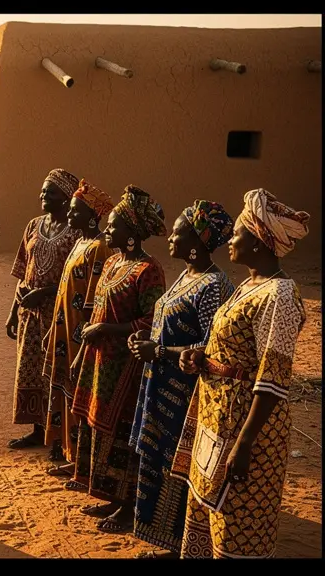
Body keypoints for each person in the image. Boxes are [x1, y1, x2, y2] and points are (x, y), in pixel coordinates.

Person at [173, 189, 310, 559]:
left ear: (258, 242)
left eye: (237, 234)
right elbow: (233, 349)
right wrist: (201, 357)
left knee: (239, 521)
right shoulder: (250, 285)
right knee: (207, 511)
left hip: (247, 429)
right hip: (217, 418)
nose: (230, 241)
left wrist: (245, 444)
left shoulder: (279, 295)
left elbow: (273, 377)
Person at [125, 201, 235, 558]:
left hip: (184, 396)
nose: (170, 238)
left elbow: (209, 346)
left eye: (178, 232)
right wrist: (146, 341)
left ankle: (179, 547)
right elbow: (168, 327)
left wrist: (158, 351)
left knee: (178, 465)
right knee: (157, 460)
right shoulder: (187, 276)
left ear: (197, 242)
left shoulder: (213, 286)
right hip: (159, 388)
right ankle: (162, 539)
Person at [68, 185, 166, 534]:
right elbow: (96, 309)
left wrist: (107, 329)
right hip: (98, 361)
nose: (107, 230)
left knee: (123, 432)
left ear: (132, 233)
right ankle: (110, 495)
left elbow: (152, 320)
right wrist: (82, 353)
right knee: (97, 425)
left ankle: (127, 507)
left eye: (114, 226)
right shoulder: (111, 262)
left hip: (127, 366)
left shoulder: (148, 270)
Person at [6, 169, 83, 460]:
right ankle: (38, 430)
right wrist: (13, 312)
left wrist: (46, 292)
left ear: (65, 197)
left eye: (50, 192)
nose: (43, 196)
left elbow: (74, 279)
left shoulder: (76, 233)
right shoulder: (33, 226)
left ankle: (58, 436)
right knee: (30, 369)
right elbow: (22, 271)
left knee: (55, 371)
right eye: (43, 190)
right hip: (29, 312)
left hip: (58, 313)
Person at [41, 180, 115, 477]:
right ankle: (67, 450)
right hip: (64, 332)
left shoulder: (100, 248)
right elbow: (65, 290)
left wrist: (83, 342)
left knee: (78, 394)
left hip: (78, 336)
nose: (70, 215)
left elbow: (93, 300)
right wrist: (53, 330)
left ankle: (79, 460)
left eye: (75, 211)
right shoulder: (80, 243)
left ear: (92, 215)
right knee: (63, 389)